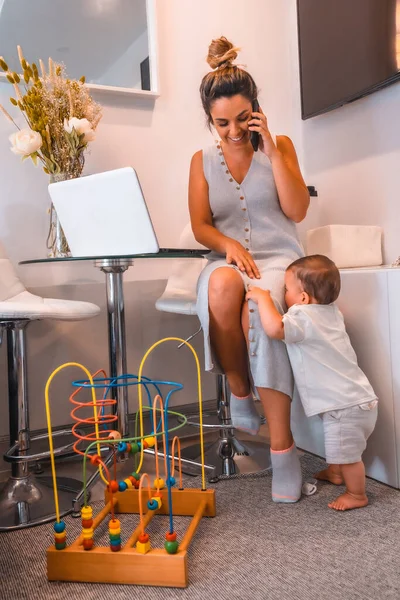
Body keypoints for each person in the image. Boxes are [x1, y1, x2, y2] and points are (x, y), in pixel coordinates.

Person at [189, 37, 310, 503]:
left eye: (243, 119)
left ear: (255, 110)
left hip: (279, 260)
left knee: (259, 314)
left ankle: (283, 451)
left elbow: (297, 210)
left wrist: (273, 152)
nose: (234, 130)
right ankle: (240, 393)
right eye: (222, 123)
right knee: (220, 285)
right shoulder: (200, 162)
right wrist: (228, 245)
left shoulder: (277, 146)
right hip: (227, 259)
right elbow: (201, 225)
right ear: (210, 119)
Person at [246, 255, 378, 511]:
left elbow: (274, 329)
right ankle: (336, 472)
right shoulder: (331, 313)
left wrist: (263, 298)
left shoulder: (303, 316)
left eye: (286, 290)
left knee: (349, 456)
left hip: (345, 407)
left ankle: (356, 493)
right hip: (354, 400)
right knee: (339, 447)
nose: (283, 294)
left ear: (303, 298)